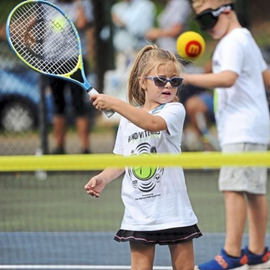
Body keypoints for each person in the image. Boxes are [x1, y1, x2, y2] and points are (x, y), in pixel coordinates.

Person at [84, 44, 202, 270]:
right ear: (143, 82)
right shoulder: (128, 119)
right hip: (139, 210)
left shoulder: (174, 110)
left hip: (173, 208)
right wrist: (104, 178)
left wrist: (116, 104)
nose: (168, 85)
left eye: (174, 81)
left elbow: (152, 124)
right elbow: (121, 159)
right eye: (160, 80)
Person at [183, 0, 270, 269]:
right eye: (201, 23)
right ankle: (257, 251)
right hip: (254, 126)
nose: (206, 29)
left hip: (241, 127)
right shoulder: (246, 38)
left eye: (208, 20)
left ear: (226, 10)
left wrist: (186, 77)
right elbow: (266, 78)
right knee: (254, 190)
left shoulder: (232, 41)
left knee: (233, 187)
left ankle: (232, 254)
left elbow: (228, 78)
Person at [49, 0, 94, 154]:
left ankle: (85, 148)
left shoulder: (82, 3)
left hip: (76, 59)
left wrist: (78, 4)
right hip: (52, 60)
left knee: (79, 103)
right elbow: (34, 25)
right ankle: (59, 147)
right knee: (58, 104)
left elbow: (82, 23)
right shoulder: (45, 3)